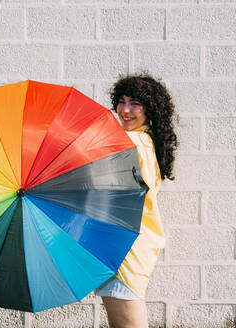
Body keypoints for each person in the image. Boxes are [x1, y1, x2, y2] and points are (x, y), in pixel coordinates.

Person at [94, 72, 178, 327]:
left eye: (135, 103)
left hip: (123, 248)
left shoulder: (129, 141)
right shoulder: (144, 139)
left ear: (149, 108)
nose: (126, 110)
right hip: (128, 245)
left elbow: (116, 195)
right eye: (122, 101)